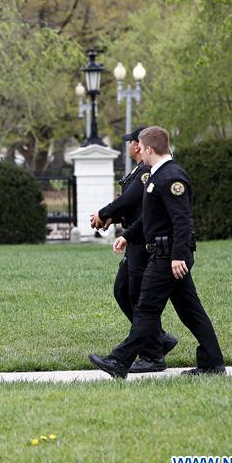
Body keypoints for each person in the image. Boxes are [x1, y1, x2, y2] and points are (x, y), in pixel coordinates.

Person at [89, 126, 226, 378]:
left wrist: (178, 256)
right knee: (191, 312)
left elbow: (182, 222)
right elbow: (150, 219)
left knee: (146, 310)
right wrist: (127, 236)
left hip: (168, 257)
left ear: (149, 148)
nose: (138, 149)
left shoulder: (171, 177)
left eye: (141, 146)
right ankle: (212, 364)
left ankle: (119, 361)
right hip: (165, 255)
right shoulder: (156, 175)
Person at [90, 126, 178, 373]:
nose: (128, 145)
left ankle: (153, 354)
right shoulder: (139, 171)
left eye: (130, 141)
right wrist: (115, 220)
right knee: (123, 291)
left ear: (139, 145)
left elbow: (129, 201)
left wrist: (105, 213)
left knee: (138, 298)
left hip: (142, 243)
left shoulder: (146, 173)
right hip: (134, 238)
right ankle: (159, 338)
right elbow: (135, 209)